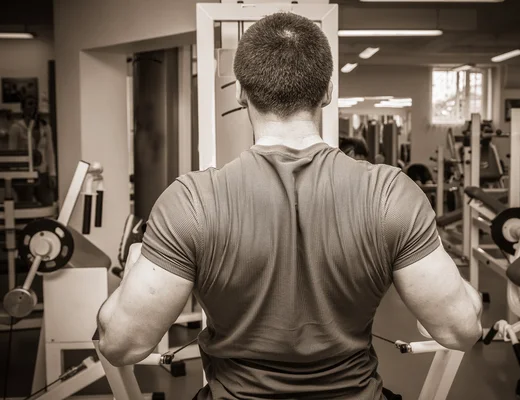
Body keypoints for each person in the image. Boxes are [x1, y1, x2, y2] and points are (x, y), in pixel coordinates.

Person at [96, 12, 482, 400]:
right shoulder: (391, 194)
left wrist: (131, 276)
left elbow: (121, 345)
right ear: (328, 91)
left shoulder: (191, 201)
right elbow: (461, 330)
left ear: (240, 93)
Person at [8, 96, 57, 205]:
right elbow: (12, 152)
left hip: (42, 172)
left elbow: (49, 151)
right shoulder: (16, 128)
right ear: (23, 108)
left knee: (47, 202)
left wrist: (52, 173)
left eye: (35, 104)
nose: (33, 107)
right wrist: (14, 176)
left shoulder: (45, 127)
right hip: (24, 173)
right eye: (30, 104)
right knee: (26, 204)